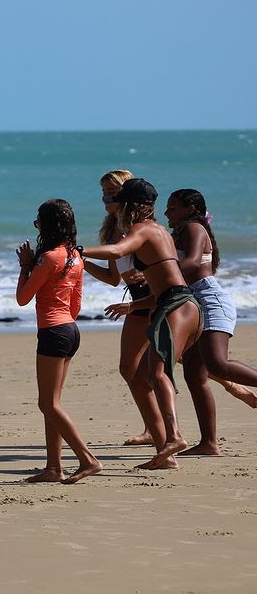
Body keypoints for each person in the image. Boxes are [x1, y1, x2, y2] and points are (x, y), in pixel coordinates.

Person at [83, 178, 202, 468]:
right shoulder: (161, 230)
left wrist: (75, 250)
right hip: (180, 304)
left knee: (157, 372)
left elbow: (115, 251)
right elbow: (165, 284)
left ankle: (172, 436)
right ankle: (166, 455)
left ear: (131, 206)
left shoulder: (142, 229)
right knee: (154, 371)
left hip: (174, 306)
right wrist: (133, 306)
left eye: (121, 202)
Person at [164, 188, 257, 456]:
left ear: (190, 209)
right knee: (194, 374)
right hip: (191, 303)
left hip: (209, 300)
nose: (167, 213)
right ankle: (209, 443)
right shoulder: (180, 231)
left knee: (217, 363)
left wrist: (157, 274)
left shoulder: (193, 227)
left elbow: (192, 263)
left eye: (173, 208)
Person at [15, 200, 101, 484]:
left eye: (38, 222)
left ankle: (87, 459)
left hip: (53, 332)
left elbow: (23, 298)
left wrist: (25, 267)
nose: (37, 227)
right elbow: (75, 305)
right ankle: (54, 467)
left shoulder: (49, 257)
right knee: (52, 403)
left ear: (47, 226)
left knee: (48, 404)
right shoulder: (76, 257)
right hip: (71, 329)